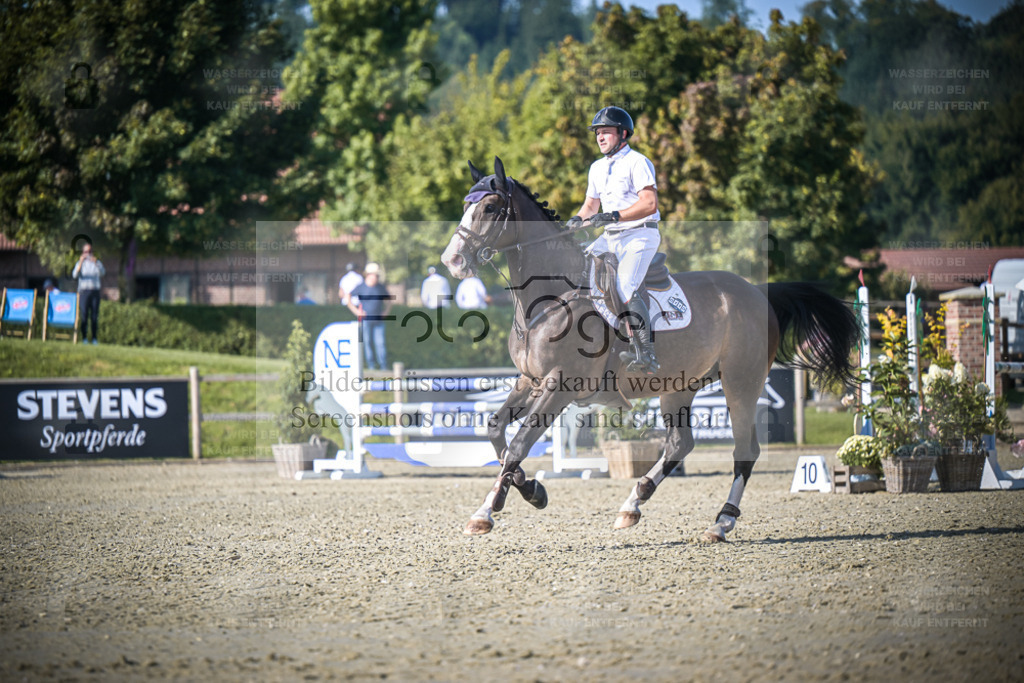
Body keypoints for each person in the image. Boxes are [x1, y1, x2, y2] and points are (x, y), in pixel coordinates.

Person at [566, 105, 661, 374]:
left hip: (640, 234)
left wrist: (616, 216)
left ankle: (646, 352)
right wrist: (576, 220)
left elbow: (650, 203)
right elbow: (590, 207)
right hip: (611, 237)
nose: (600, 137)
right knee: (576, 267)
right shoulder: (597, 168)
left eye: (606, 132)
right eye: (597, 133)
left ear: (623, 134)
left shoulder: (638, 162)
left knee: (624, 284)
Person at [347, 263, 391, 370]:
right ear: (368, 275)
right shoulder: (361, 287)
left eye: (377, 275)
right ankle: (371, 367)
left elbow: (389, 301)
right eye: (374, 275)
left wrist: (386, 312)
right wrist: (356, 311)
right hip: (366, 321)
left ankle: (383, 366)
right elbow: (348, 297)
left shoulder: (380, 287)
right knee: (367, 343)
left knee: (380, 343)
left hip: (378, 321)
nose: (376, 277)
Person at [71, 242, 105, 345]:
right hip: (84, 292)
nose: (88, 253)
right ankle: (84, 338)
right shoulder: (79, 263)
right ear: (82, 252)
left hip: (94, 291)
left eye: (89, 251)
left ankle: (94, 338)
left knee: (94, 316)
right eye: (86, 251)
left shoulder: (97, 263)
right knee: (84, 315)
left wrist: (96, 263)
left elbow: (103, 273)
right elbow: (74, 275)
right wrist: (80, 263)